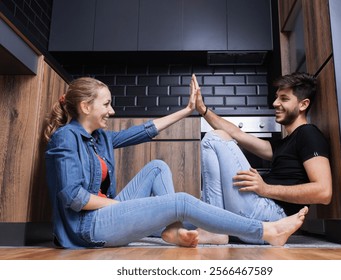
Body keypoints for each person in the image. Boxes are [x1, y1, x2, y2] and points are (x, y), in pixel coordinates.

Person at [43, 76, 309, 249]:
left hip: (103, 214)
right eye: (107, 104)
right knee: (179, 201)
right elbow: (74, 197)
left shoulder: (99, 137)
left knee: (157, 167)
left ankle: (172, 230)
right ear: (86, 107)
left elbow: (144, 130)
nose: (112, 111)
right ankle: (266, 230)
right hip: (86, 229)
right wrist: (124, 205)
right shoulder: (65, 139)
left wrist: (186, 110)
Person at [193, 72, 332, 244]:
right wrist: (203, 110)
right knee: (182, 220)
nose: (275, 103)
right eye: (276, 98)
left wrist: (265, 189)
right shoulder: (283, 145)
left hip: (273, 216)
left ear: (303, 104)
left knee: (213, 138)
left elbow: (324, 192)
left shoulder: (308, 134)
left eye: (284, 99)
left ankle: (212, 227)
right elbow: (236, 133)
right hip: (259, 212)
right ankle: (213, 225)